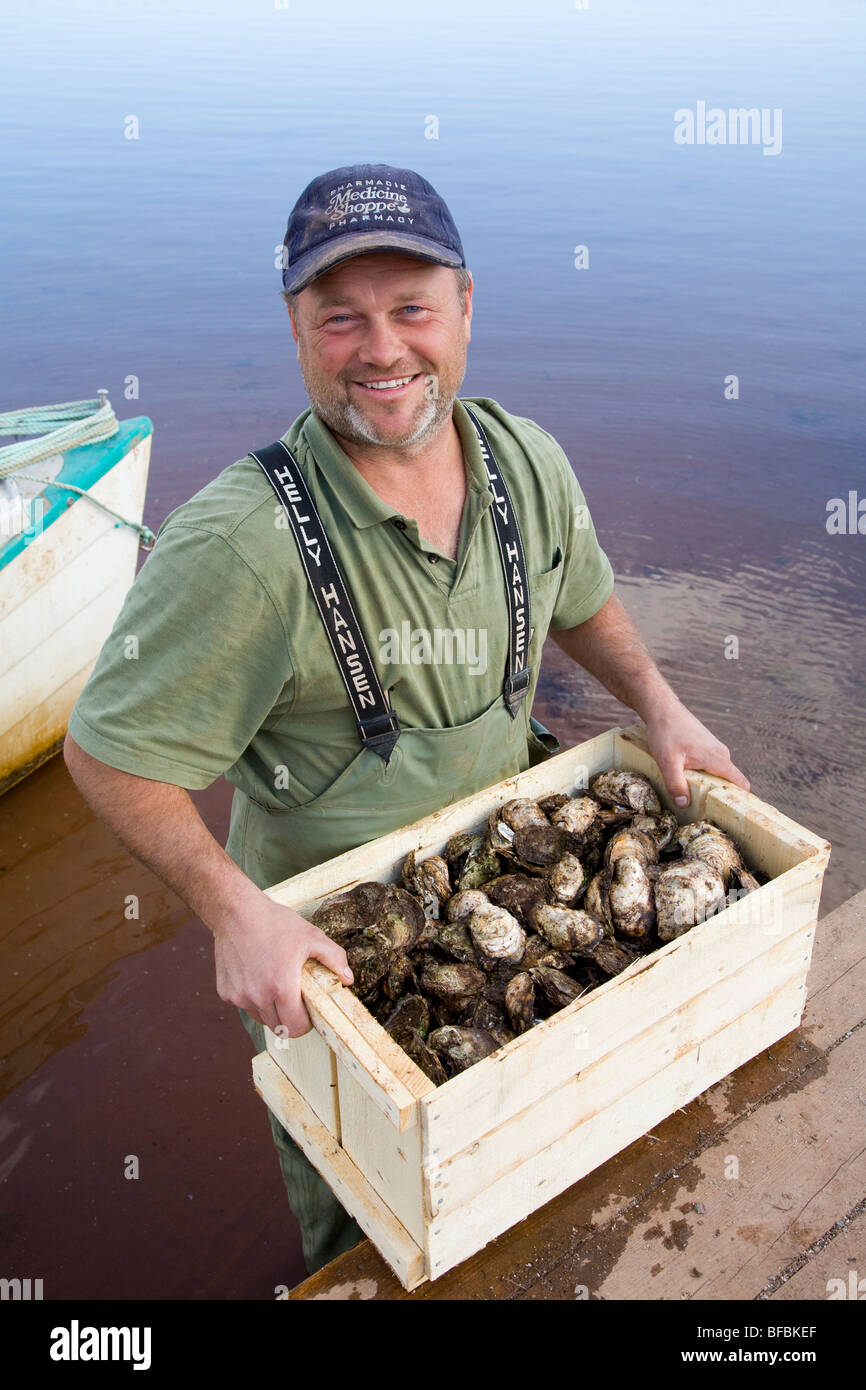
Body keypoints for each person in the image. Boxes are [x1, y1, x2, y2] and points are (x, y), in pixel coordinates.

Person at [63, 162, 750, 1276]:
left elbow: (582, 598)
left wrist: (662, 708)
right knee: (383, 1242)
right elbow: (104, 757)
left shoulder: (525, 461)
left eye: (411, 309)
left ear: (467, 308)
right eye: (341, 318)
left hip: (504, 873)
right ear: (295, 330)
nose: (382, 350)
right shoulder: (240, 546)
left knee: (557, 1182)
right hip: (332, 971)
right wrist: (234, 913)